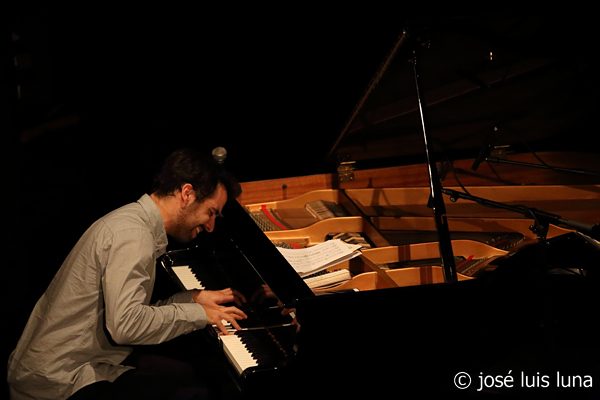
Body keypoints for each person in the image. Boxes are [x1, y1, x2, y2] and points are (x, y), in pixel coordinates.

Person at [7, 148, 248, 400]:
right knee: (194, 392)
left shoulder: (134, 223)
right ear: (187, 193)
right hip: (56, 380)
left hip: (78, 362)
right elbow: (126, 326)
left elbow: (131, 313)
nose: (211, 226)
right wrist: (198, 314)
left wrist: (193, 299)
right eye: (211, 212)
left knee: (190, 376)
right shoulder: (133, 236)